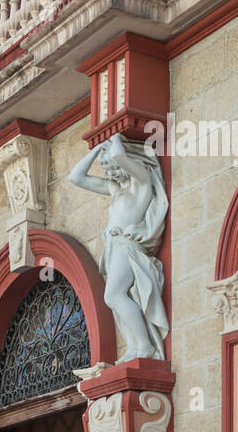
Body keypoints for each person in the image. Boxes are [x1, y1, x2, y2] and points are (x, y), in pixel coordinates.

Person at [69, 133, 169, 361]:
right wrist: (96, 151)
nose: (110, 174)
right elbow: (76, 177)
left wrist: (113, 138)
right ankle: (135, 347)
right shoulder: (115, 190)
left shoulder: (142, 183)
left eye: (113, 169)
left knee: (113, 295)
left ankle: (146, 345)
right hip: (114, 246)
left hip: (127, 246)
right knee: (117, 296)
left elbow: (119, 155)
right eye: (107, 170)